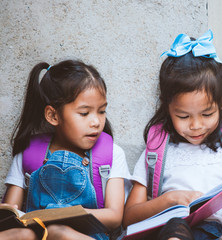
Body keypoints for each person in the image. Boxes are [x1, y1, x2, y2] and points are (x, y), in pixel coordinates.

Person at [123, 30, 222, 239]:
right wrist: (170, 200)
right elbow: (129, 217)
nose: (196, 125)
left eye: (207, 114)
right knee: (175, 228)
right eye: (183, 116)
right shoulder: (157, 151)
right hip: (175, 233)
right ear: (167, 107)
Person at [2, 60, 131, 240]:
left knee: (57, 232)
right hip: (37, 233)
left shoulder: (111, 154)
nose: (96, 122)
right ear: (53, 115)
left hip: (86, 235)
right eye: (84, 113)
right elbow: (11, 211)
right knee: (21, 234)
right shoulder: (29, 153)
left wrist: (64, 216)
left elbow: (114, 217)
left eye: (101, 111)